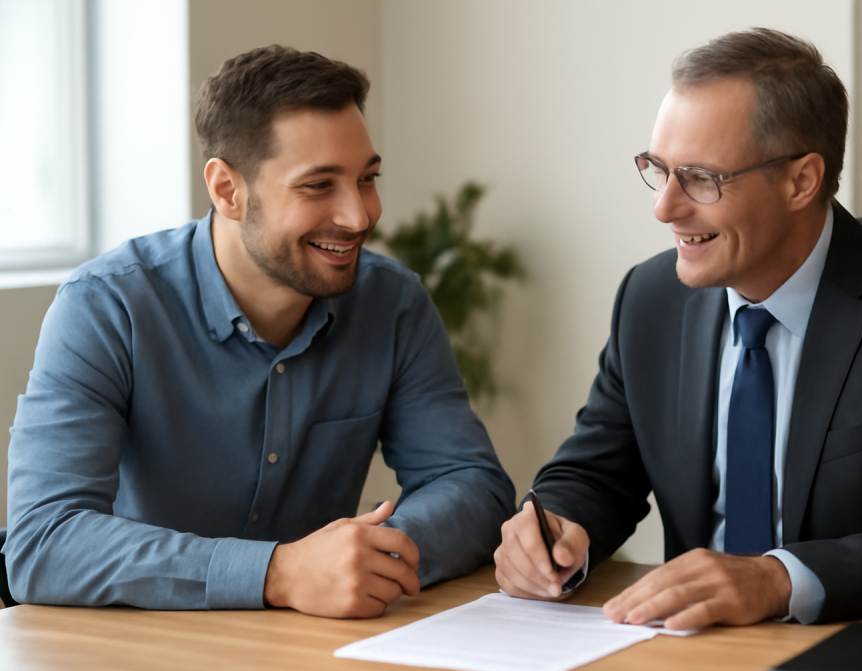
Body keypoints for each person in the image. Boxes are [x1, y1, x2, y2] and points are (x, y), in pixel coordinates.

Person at [494, 28, 862, 628]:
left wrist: (778, 579)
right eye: (658, 168)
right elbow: (595, 473)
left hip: (853, 650)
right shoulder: (650, 299)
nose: (664, 208)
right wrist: (554, 528)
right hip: (691, 654)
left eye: (700, 178)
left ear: (801, 180)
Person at [5, 45, 515, 618]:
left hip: (311, 652)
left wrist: (370, 556)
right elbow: (43, 541)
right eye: (319, 185)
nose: (359, 216)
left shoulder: (393, 304)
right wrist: (277, 573)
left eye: (366, 178)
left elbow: (474, 488)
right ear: (227, 189)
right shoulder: (106, 307)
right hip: (141, 651)